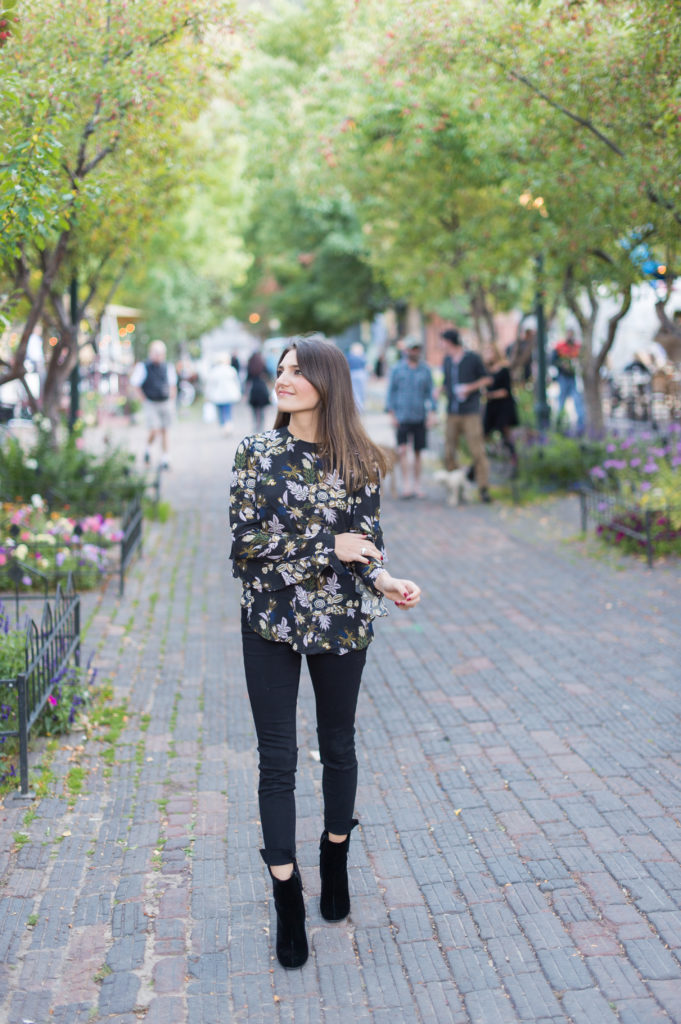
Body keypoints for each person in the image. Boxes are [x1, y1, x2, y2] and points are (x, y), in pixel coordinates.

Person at [229, 335, 421, 971]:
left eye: (295, 372)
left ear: (325, 383)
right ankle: (287, 895)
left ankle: (334, 857)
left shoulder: (360, 459)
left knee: (339, 746)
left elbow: (367, 546)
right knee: (276, 759)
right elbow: (246, 550)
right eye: (280, 370)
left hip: (342, 621)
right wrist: (325, 548)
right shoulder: (256, 453)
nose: (282, 380)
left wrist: (386, 580)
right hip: (270, 624)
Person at [440, 328, 493, 502]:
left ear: (450, 342)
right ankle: (455, 487)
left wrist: (469, 388)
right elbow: (447, 383)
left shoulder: (472, 358)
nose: (441, 345)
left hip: (470, 412)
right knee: (449, 451)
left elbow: (487, 379)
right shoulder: (447, 360)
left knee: (477, 451)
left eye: (443, 341)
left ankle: (483, 488)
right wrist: (440, 390)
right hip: (452, 412)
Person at [385, 336, 436, 498]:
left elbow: (431, 393)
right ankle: (406, 484)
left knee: (418, 452)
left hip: (419, 415)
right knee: (402, 450)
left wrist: (432, 413)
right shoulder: (397, 369)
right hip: (402, 415)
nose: (414, 351)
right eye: (411, 348)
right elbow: (390, 392)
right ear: (406, 350)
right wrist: (391, 413)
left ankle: (417, 485)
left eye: (417, 348)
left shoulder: (425, 370)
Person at [130, 339, 177, 468]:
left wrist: (172, 399)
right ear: (151, 353)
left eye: (160, 352)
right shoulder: (143, 366)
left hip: (165, 401)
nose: (158, 355)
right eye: (156, 352)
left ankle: (165, 458)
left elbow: (173, 385)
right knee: (154, 430)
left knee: (165, 430)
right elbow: (135, 384)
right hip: (151, 402)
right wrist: (143, 399)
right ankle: (148, 448)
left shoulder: (168, 367)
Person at [483, 344, 519, 476]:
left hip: (503, 406)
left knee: (506, 434)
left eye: (490, 351)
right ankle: (495, 454)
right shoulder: (487, 371)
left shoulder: (504, 370)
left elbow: (506, 391)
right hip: (491, 407)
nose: (487, 354)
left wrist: (490, 395)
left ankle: (513, 462)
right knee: (485, 433)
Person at [552, 328, 585, 433]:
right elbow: (552, 360)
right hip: (563, 377)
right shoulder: (560, 346)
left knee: (577, 400)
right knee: (561, 401)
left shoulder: (577, 347)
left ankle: (581, 426)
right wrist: (562, 365)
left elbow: (581, 359)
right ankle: (559, 424)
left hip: (573, 377)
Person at [204, 352, 242, 434]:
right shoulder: (231, 370)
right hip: (229, 394)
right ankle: (228, 425)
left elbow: (210, 385)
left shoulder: (214, 371)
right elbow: (236, 383)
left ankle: (223, 426)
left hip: (218, 396)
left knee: (221, 412)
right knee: (228, 410)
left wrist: (207, 394)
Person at [346, 342, 368, 411]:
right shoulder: (362, 356)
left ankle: (357, 407)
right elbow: (367, 366)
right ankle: (360, 407)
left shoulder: (349, 356)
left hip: (352, 374)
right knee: (360, 392)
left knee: (355, 392)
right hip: (360, 374)